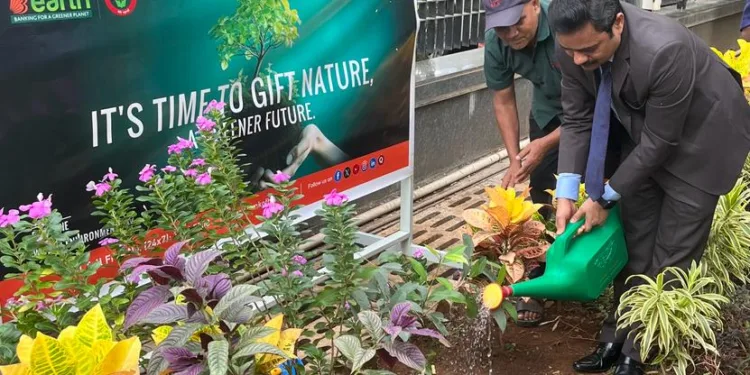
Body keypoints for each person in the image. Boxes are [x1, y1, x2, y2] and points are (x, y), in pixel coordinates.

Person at [546, 0, 750, 373]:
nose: (578, 60)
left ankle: (638, 353)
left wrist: (603, 198)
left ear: (618, 24)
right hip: (645, 136)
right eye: (571, 51)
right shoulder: (573, 41)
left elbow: (661, 143)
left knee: (672, 254)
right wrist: (566, 192)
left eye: (589, 50)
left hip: (704, 139)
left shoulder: (664, 49)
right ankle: (615, 337)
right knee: (636, 243)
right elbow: (576, 118)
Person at [482, 0, 621, 327]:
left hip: (600, 109)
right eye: (501, 27)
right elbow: (503, 100)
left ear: (534, 4)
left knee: (603, 189)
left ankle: (605, 271)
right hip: (548, 114)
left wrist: (544, 145)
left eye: (518, 22)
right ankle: (544, 278)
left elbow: (585, 114)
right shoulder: (497, 43)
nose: (511, 33)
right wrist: (516, 158)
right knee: (545, 199)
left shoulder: (567, 26)